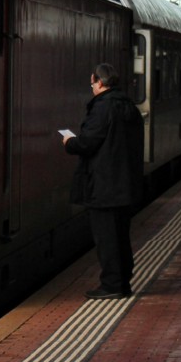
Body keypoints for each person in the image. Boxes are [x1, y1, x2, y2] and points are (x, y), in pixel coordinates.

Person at [63, 63, 144, 300]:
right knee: (120, 236)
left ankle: (112, 285)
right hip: (124, 185)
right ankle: (122, 282)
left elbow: (88, 143)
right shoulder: (129, 107)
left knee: (107, 239)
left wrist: (69, 142)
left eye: (92, 83)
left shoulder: (102, 109)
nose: (92, 88)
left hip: (104, 186)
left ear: (99, 82)